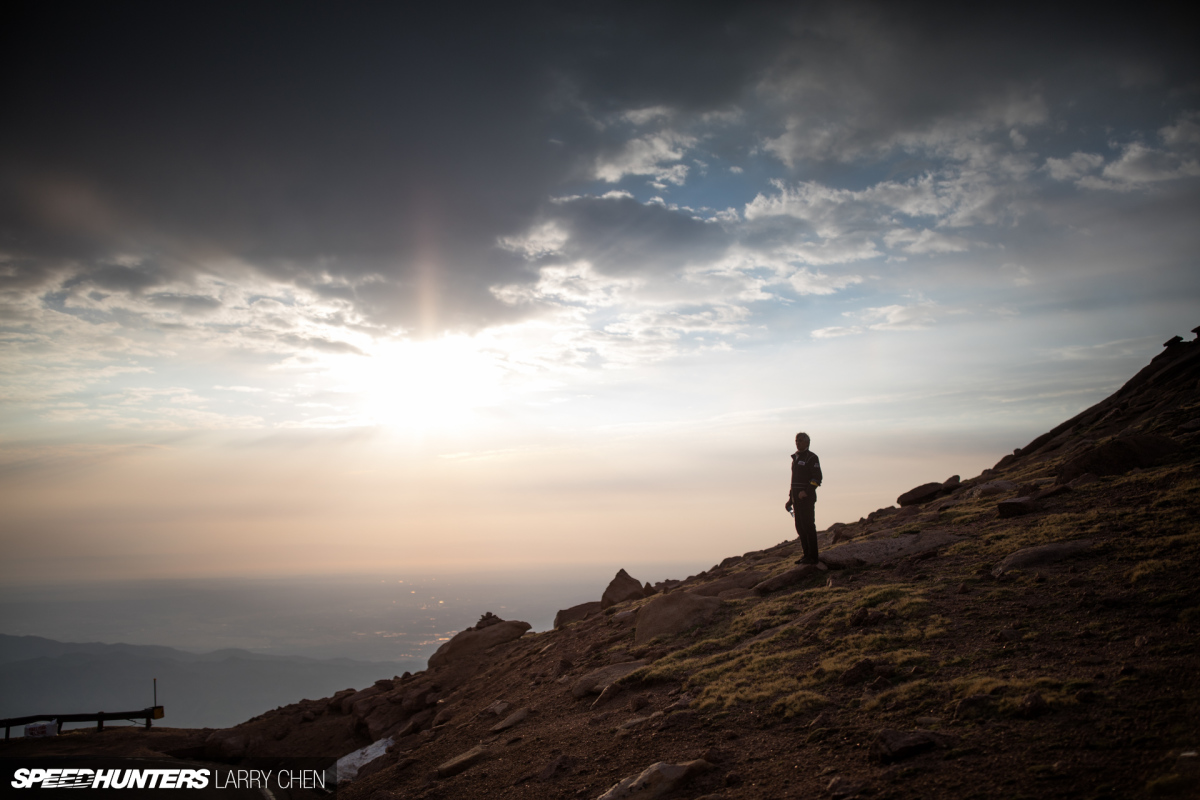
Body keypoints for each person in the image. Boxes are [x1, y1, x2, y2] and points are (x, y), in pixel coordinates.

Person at [785, 432, 822, 564]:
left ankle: (813, 557)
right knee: (800, 527)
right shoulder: (795, 458)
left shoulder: (811, 458)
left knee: (808, 526)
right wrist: (790, 499)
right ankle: (806, 555)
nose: (797, 442)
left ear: (807, 442)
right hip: (796, 500)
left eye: (800, 440)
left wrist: (806, 492)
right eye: (796, 440)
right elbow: (793, 481)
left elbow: (817, 478)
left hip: (806, 499)